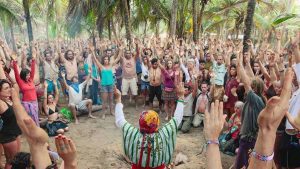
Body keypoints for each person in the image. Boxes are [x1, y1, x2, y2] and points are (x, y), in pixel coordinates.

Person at [114, 82, 185, 169]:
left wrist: (118, 100)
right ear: (157, 124)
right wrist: (181, 97)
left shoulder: (133, 133)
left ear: (140, 122)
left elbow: (120, 120)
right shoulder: (163, 134)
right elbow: (177, 119)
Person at [235, 52, 266, 169]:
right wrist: (247, 63)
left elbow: (247, 82)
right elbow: (251, 77)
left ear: (254, 88)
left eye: (251, 87)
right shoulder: (255, 99)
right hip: (247, 137)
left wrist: (239, 64)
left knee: (244, 165)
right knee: (241, 163)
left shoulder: (256, 99)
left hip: (249, 139)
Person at [0, 65, 22, 169]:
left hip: (15, 132)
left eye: (9, 87)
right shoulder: (0, 103)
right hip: (8, 135)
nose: (9, 90)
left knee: (15, 159)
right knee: (11, 161)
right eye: (6, 88)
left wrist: (8, 76)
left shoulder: (8, 100)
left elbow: (15, 85)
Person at [91, 45, 120, 119]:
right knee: (104, 101)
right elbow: (95, 59)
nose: (106, 60)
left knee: (111, 99)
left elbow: (118, 58)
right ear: (103, 60)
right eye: (105, 59)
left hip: (111, 85)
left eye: (107, 59)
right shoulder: (101, 66)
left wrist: (121, 50)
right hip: (104, 85)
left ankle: (111, 111)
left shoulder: (111, 65)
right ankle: (103, 113)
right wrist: (92, 51)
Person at [12, 48, 40, 126]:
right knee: (29, 118)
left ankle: (37, 130)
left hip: (34, 101)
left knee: (36, 116)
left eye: (29, 74)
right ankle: (30, 131)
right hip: (26, 103)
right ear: (23, 75)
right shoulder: (20, 82)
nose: (28, 76)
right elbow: (16, 73)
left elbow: (33, 70)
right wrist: (14, 62)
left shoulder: (31, 80)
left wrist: (34, 60)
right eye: (27, 75)